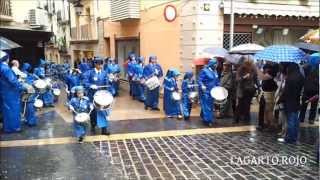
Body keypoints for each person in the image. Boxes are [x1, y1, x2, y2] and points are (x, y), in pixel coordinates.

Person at [84, 57, 112, 135]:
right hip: (92, 95)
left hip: (102, 95)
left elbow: (107, 83)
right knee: (93, 112)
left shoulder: (104, 73)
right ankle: (93, 126)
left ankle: (104, 129)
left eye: (101, 64)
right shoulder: (89, 73)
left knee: (104, 111)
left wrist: (111, 80)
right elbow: (84, 82)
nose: (101, 66)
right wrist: (90, 85)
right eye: (99, 64)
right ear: (95, 64)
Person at [278, 63, 304, 144]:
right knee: (295, 120)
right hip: (296, 100)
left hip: (289, 101)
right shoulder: (300, 76)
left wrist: (280, 99)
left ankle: (290, 139)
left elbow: (286, 91)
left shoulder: (290, 78)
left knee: (290, 121)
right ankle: (295, 137)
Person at [0, 51, 24, 133]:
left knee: (6, 110)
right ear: (6, 59)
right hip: (11, 93)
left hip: (4, 92)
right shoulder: (5, 68)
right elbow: (13, 81)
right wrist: (21, 86)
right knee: (13, 110)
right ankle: (14, 128)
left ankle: (7, 127)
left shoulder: (1, 67)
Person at [234, 58, 258, 123]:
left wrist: (258, 87)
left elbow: (256, 79)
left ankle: (246, 118)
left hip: (250, 90)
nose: (249, 66)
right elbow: (237, 80)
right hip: (242, 90)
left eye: (250, 64)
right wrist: (244, 77)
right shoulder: (240, 70)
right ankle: (236, 119)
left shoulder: (253, 70)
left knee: (247, 105)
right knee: (240, 105)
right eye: (247, 64)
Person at [198, 58, 220, 127]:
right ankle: (208, 120)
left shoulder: (215, 71)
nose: (216, 65)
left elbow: (217, 81)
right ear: (212, 64)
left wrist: (219, 87)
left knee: (210, 105)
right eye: (215, 64)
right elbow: (200, 80)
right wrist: (202, 86)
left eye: (217, 64)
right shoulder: (204, 71)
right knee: (207, 106)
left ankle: (204, 115)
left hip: (213, 92)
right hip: (206, 91)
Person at [256, 62, 278, 131]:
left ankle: (272, 125)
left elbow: (262, 77)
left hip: (270, 92)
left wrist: (256, 68)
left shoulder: (274, 68)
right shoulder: (268, 66)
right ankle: (266, 124)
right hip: (264, 91)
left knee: (269, 110)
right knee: (265, 109)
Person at [299, 55, 319, 124]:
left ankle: (301, 118)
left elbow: (302, 76)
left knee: (304, 104)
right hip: (316, 90)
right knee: (314, 106)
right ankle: (311, 120)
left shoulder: (305, 67)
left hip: (306, 89)